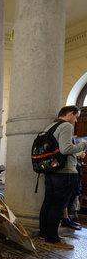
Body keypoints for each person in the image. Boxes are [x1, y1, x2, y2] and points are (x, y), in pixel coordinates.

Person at [39, 105, 87, 250]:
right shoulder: (66, 125)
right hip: (65, 172)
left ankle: (44, 233)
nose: (76, 120)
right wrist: (84, 144)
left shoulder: (51, 126)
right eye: (77, 117)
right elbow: (66, 149)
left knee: (48, 203)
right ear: (71, 114)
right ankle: (52, 239)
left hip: (51, 170)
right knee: (58, 205)